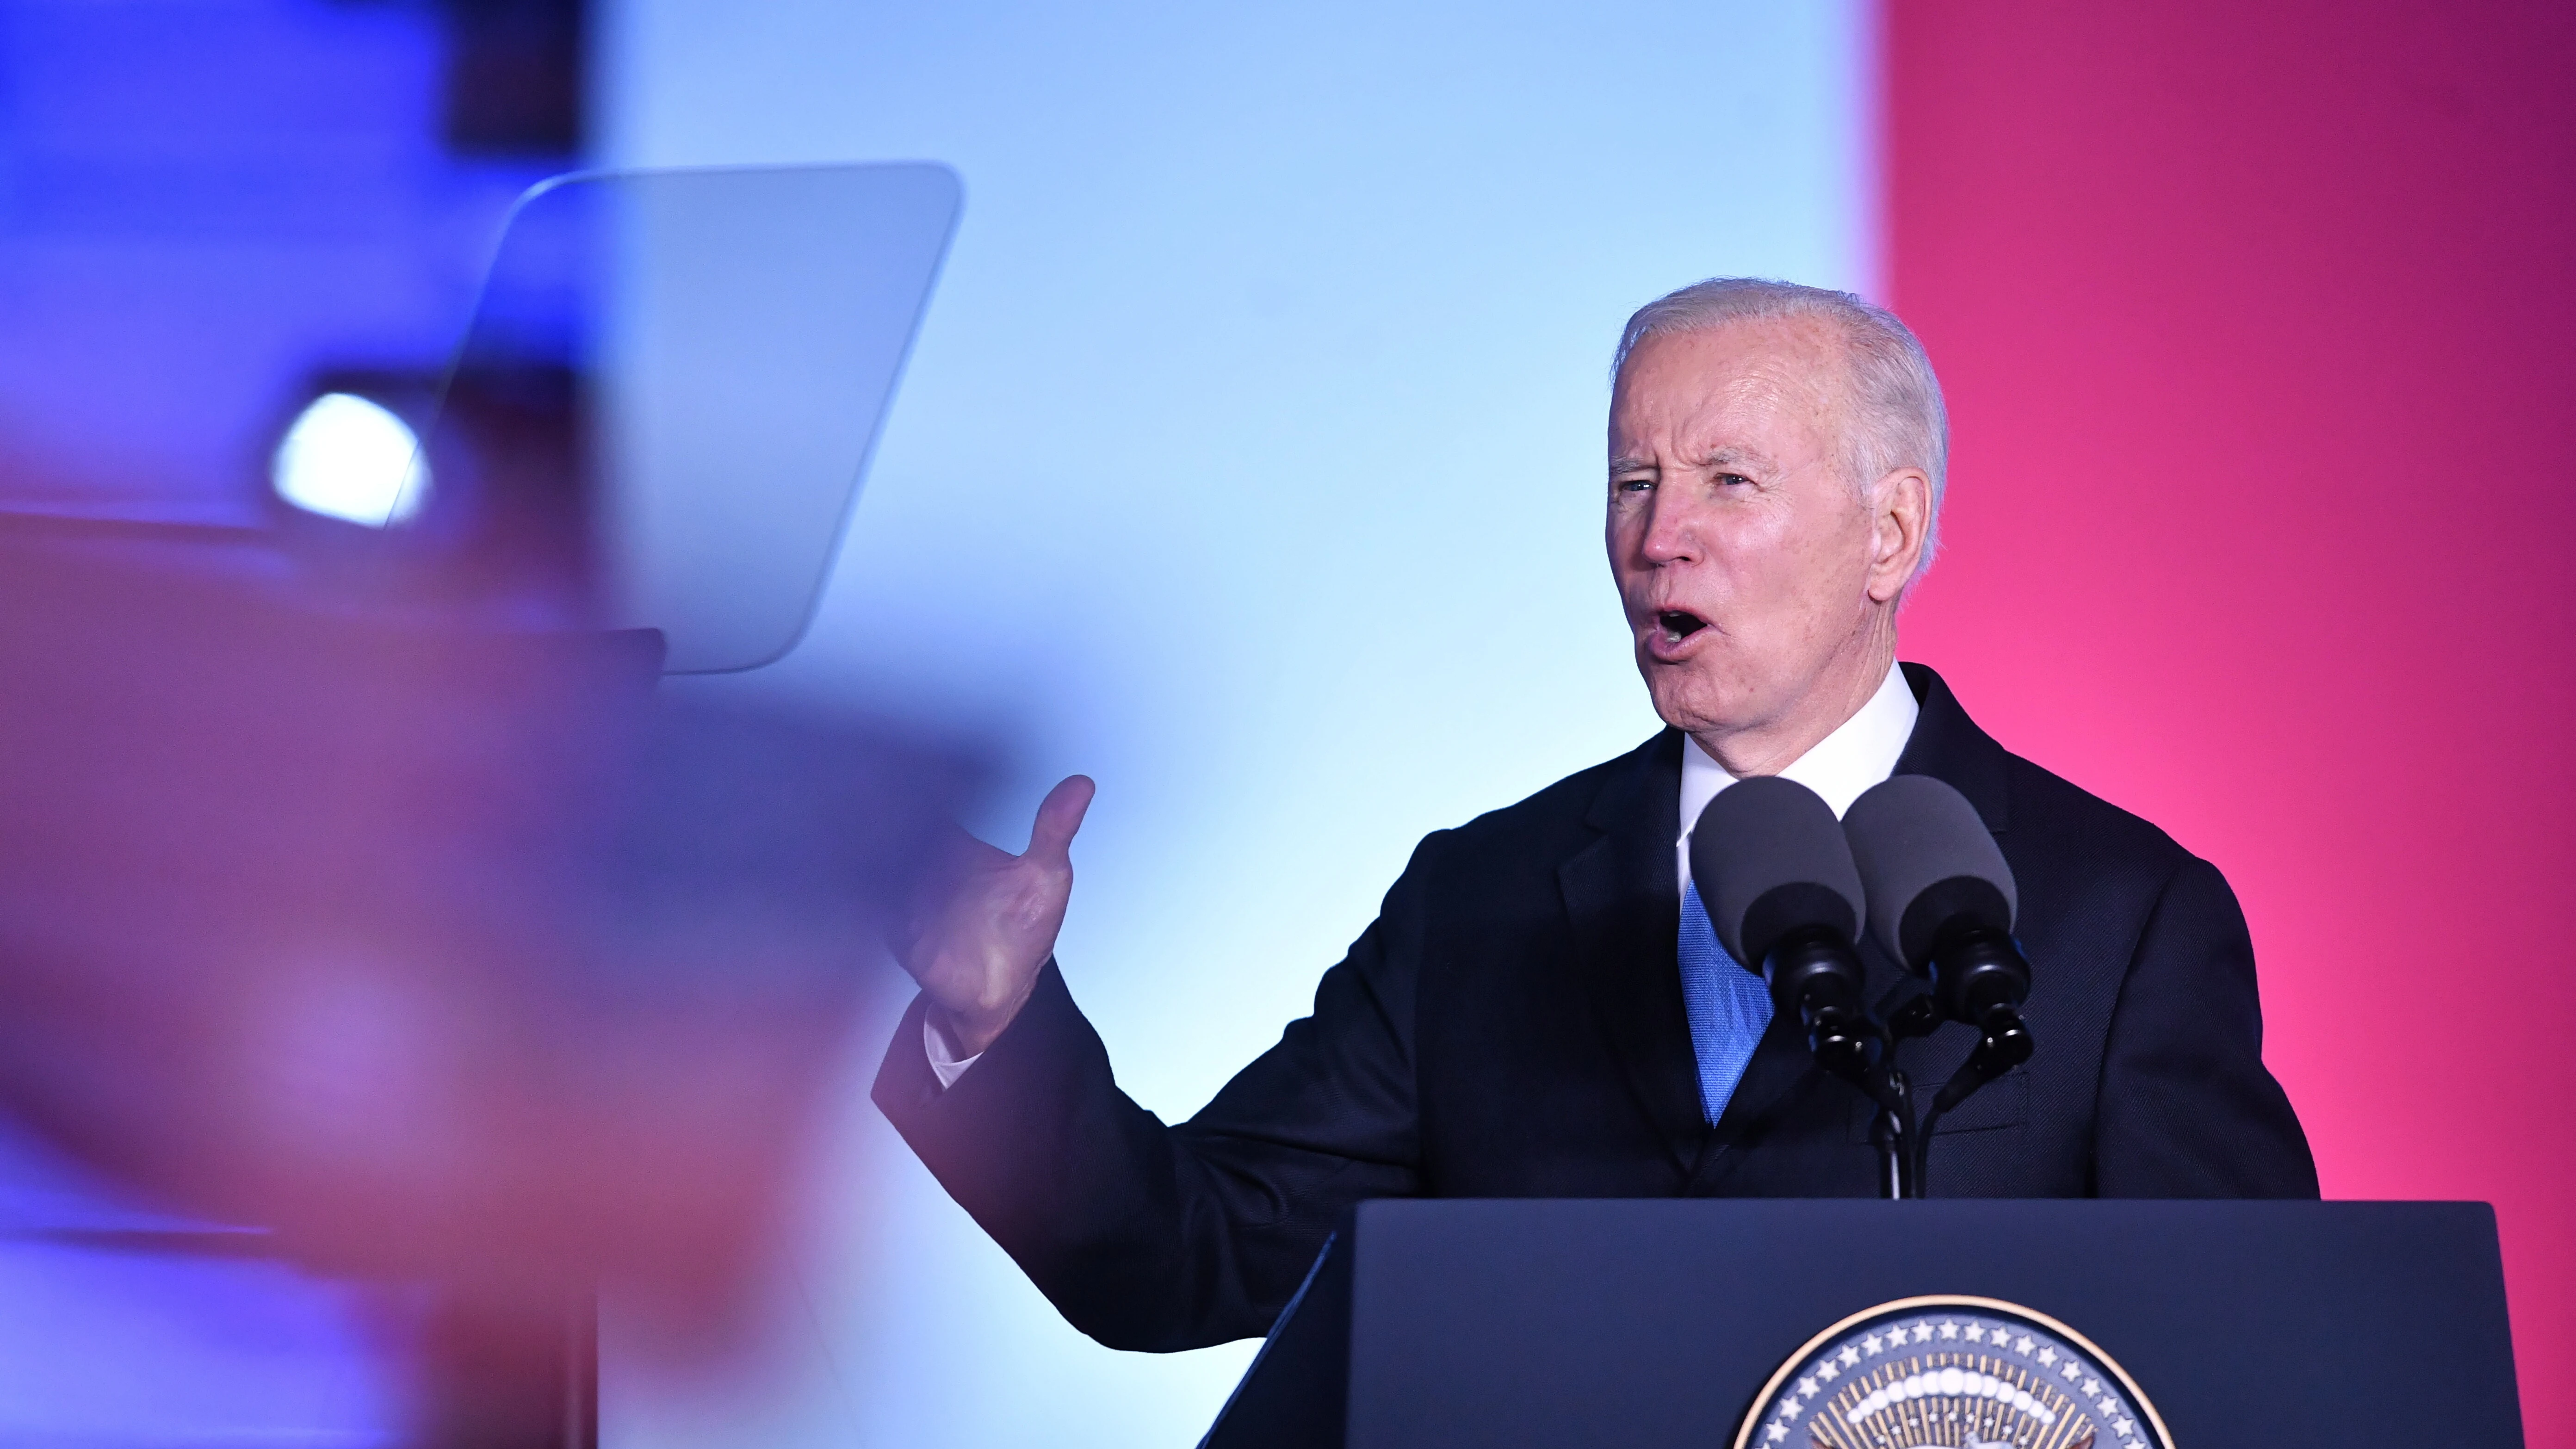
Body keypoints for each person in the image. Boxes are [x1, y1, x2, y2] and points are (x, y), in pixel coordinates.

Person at [872, 278, 2317, 1353]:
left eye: (1726, 481)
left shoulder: (2118, 919)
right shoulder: (1482, 905)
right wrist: (993, 1030)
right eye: (1632, 479)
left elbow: (2254, 1359)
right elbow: (1183, 1256)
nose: (1655, 535)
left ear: (1893, 532)